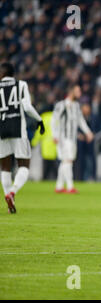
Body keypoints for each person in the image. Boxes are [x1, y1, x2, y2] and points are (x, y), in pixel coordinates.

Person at [0, 62, 45, 213]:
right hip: (18, 129)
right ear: (12, 74)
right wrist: (39, 119)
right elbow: (26, 107)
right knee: (24, 165)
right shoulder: (21, 85)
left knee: (5, 167)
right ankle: (12, 192)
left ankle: (8, 199)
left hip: (2, 130)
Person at [51, 84, 94, 194]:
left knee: (65, 161)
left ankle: (59, 186)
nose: (79, 93)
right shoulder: (61, 105)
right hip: (63, 138)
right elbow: (54, 120)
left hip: (72, 138)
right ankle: (70, 186)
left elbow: (81, 121)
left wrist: (88, 132)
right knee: (68, 160)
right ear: (71, 92)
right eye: (78, 91)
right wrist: (55, 135)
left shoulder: (76, 106)